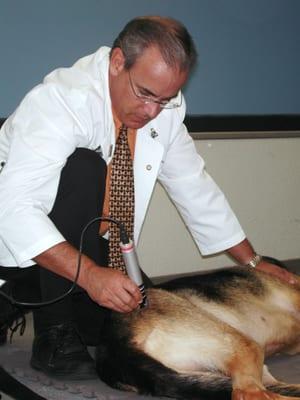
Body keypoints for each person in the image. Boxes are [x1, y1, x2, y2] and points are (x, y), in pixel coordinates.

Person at [0, 16, 297, 380]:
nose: (153, 111)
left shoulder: (163, 108)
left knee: (143, 318)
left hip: (90, 249)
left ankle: (23, 294)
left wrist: (252, 262)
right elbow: (14, 210)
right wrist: (91, 276)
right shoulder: (59, 101)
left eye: (165, 99)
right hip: (19, 244)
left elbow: (193, 185)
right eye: (145, 94)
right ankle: (53, 332)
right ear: (116, 62)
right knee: (83, 167)